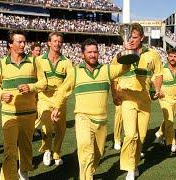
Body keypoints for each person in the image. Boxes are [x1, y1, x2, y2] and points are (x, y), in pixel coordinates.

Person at [51, 38, 130, 180]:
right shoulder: (75, 72)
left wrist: (126, 51)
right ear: (82, 54)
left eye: (95, 52)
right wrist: (56, 107)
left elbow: (125, 68)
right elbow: (63, 91)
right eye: (89, 52)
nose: (93, 55)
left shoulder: (106, 70)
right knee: (85, 151)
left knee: (97, 154)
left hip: (101, 121)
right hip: (83, 118)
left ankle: (89, 172)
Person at [0, 30, 47, 180]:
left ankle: (24, 172)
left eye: (24, 42)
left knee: (26, 147)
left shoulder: (35, 62)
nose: (23, 44)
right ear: (10, 44)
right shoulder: (1, 63)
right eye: (19, 42)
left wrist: (31, 87)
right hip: (9, 114)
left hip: (29, 113)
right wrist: (1, 93)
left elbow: (44, 83)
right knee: (9, 150)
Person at [113, 23, 163, 180]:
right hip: (127, 98)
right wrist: (114, 94)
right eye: (129, 37)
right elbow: (112, 75)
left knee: (140, 137)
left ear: (142, 37)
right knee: (130, 135)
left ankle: (134, 165)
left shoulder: (152, 54)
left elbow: (159, 73)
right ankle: (129, 168)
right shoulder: (120, 54)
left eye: (134, 37)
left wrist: (158, 90)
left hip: (145, 100)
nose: (132, 40)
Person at [36, 32, 73, 166]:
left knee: (60, 129)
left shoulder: (67, 62)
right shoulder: (39, 60)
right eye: (54, 41)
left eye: (59, 41)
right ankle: (47, 150)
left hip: (60, 99)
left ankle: (57, 153)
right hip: (44, 98)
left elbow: (69, 83)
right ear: (49, 43)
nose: (57, 43)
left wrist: (60, 99)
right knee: (46, 125)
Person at [154, 48, 176, 152]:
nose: (172, 58)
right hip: (164, 98)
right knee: (170, 121)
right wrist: (158, 90)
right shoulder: (162, 69)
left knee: (168, 120)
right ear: (167, 56)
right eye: (171, 56)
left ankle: (159, 133)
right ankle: (172, 143)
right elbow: (154, 80)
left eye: (175, 56)